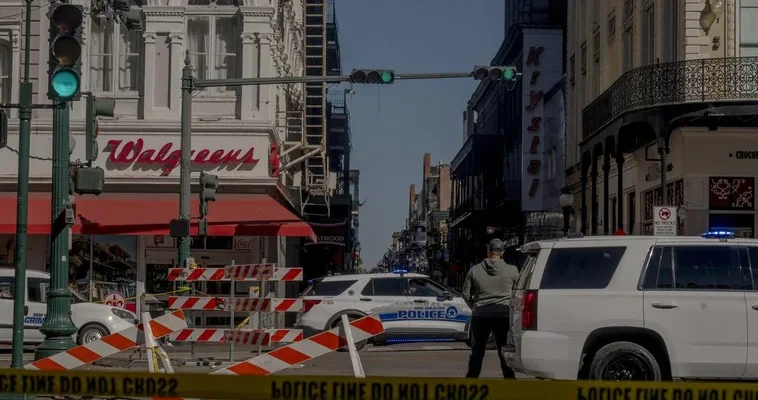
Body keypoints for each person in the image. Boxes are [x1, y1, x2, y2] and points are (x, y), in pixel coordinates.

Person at [462, 238, 519, 378]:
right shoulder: (513, 270)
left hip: (481, 315)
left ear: (488, 252)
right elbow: (518, 293)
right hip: (504, 315)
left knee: (477, 352)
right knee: (504, 350)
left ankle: (471, 380)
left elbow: (465, 293)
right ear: (503, 252)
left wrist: (475, 307)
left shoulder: (474, 270)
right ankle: (509, 381)